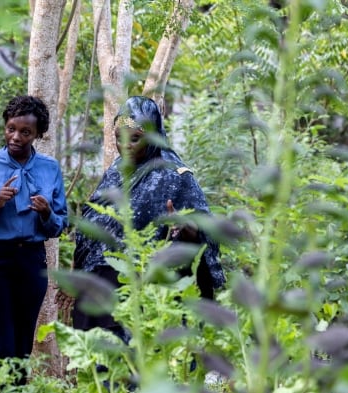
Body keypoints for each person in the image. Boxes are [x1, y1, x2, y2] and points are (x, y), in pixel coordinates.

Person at [60, 95, 225, 340]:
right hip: (99, 290)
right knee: (99, 365)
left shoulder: (176, 176)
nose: (125, 146)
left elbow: (205, 235)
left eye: (135, 138)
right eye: (119, 138)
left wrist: (187, 230)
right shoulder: (114, 173)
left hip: (145, 293)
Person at [0, 95, 69, 372]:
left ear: (38, 134)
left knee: (23, 342)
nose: (16, 136)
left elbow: (60, 224)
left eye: (26, 132)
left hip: (31, 261)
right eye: (11, 128)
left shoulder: (49, 168)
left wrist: (47, 212)